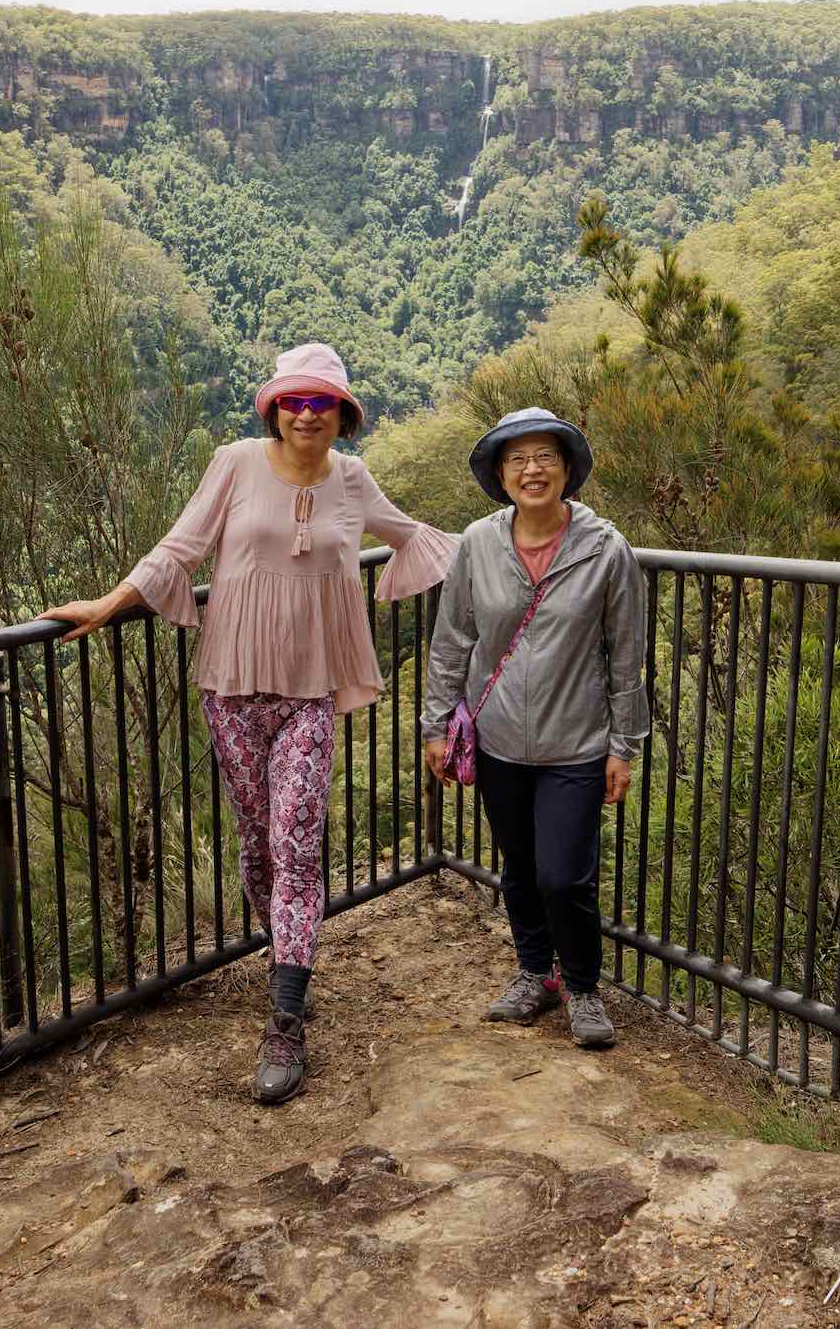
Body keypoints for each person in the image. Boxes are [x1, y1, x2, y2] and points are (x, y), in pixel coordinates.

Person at [39, 342, 452, 1104]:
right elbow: (181, 547)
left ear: (342, 415)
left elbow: (414, 537)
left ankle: (286, 1022)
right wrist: (107, 603)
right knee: (260, 847)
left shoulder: (354, 481)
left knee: (296, 842)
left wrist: (520, 561)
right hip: (230, 688)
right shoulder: (234, 462)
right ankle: (286, 960)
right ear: (273, 408)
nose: (306, 413)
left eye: (321, 403)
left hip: (310, 692)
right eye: (294, 401)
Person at [421, 407, 647, 1049]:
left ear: (568, 468)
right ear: (500, 474)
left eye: (545, 455)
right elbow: (452, 640)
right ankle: (533, 973)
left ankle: (580, 986)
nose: (532, 469)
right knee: (519, 867)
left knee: (564, 875)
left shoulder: (606, 549)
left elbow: (626, 654)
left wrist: (622, 746)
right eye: (517, 459)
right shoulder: (478, 545)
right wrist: (436, 726)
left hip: (577, 741)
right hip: (498, 741)